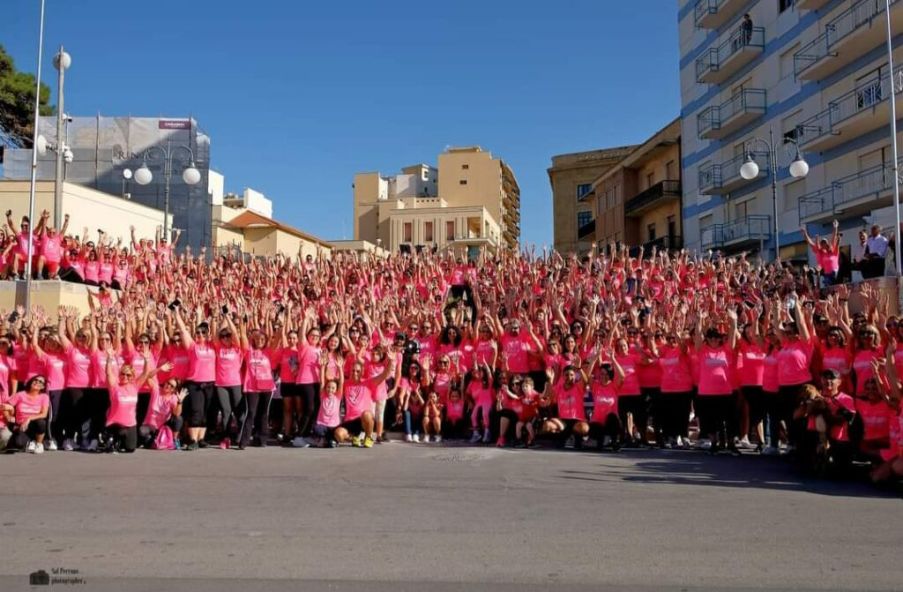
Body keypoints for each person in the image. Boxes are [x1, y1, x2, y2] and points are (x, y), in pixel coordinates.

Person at [1, 375, 50, 453]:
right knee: (18, 444)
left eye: (40, 382)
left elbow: (44, 414)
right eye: (35, 380)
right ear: (31, 381)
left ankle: (39, 444)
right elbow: (5, 407)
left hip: (35, 425)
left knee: (41, 423)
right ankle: (30, 442)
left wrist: (29, 418)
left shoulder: (44, 397)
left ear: (43, 387)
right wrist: (8, 416)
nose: (37, 382)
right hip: (20, 426)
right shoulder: (20, 394)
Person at [802, 220, 840, 288]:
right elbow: (809, 242)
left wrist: (835, 227)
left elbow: (833, 238)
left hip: (833, 272)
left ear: (827, 244)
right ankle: (812, 285)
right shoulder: (820, 251)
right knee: (811, 271)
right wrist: (805, 233)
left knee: (832, 284)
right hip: (822, 270)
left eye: (824, 243)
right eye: (822, 243)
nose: (823, 244)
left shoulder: (832, 251)